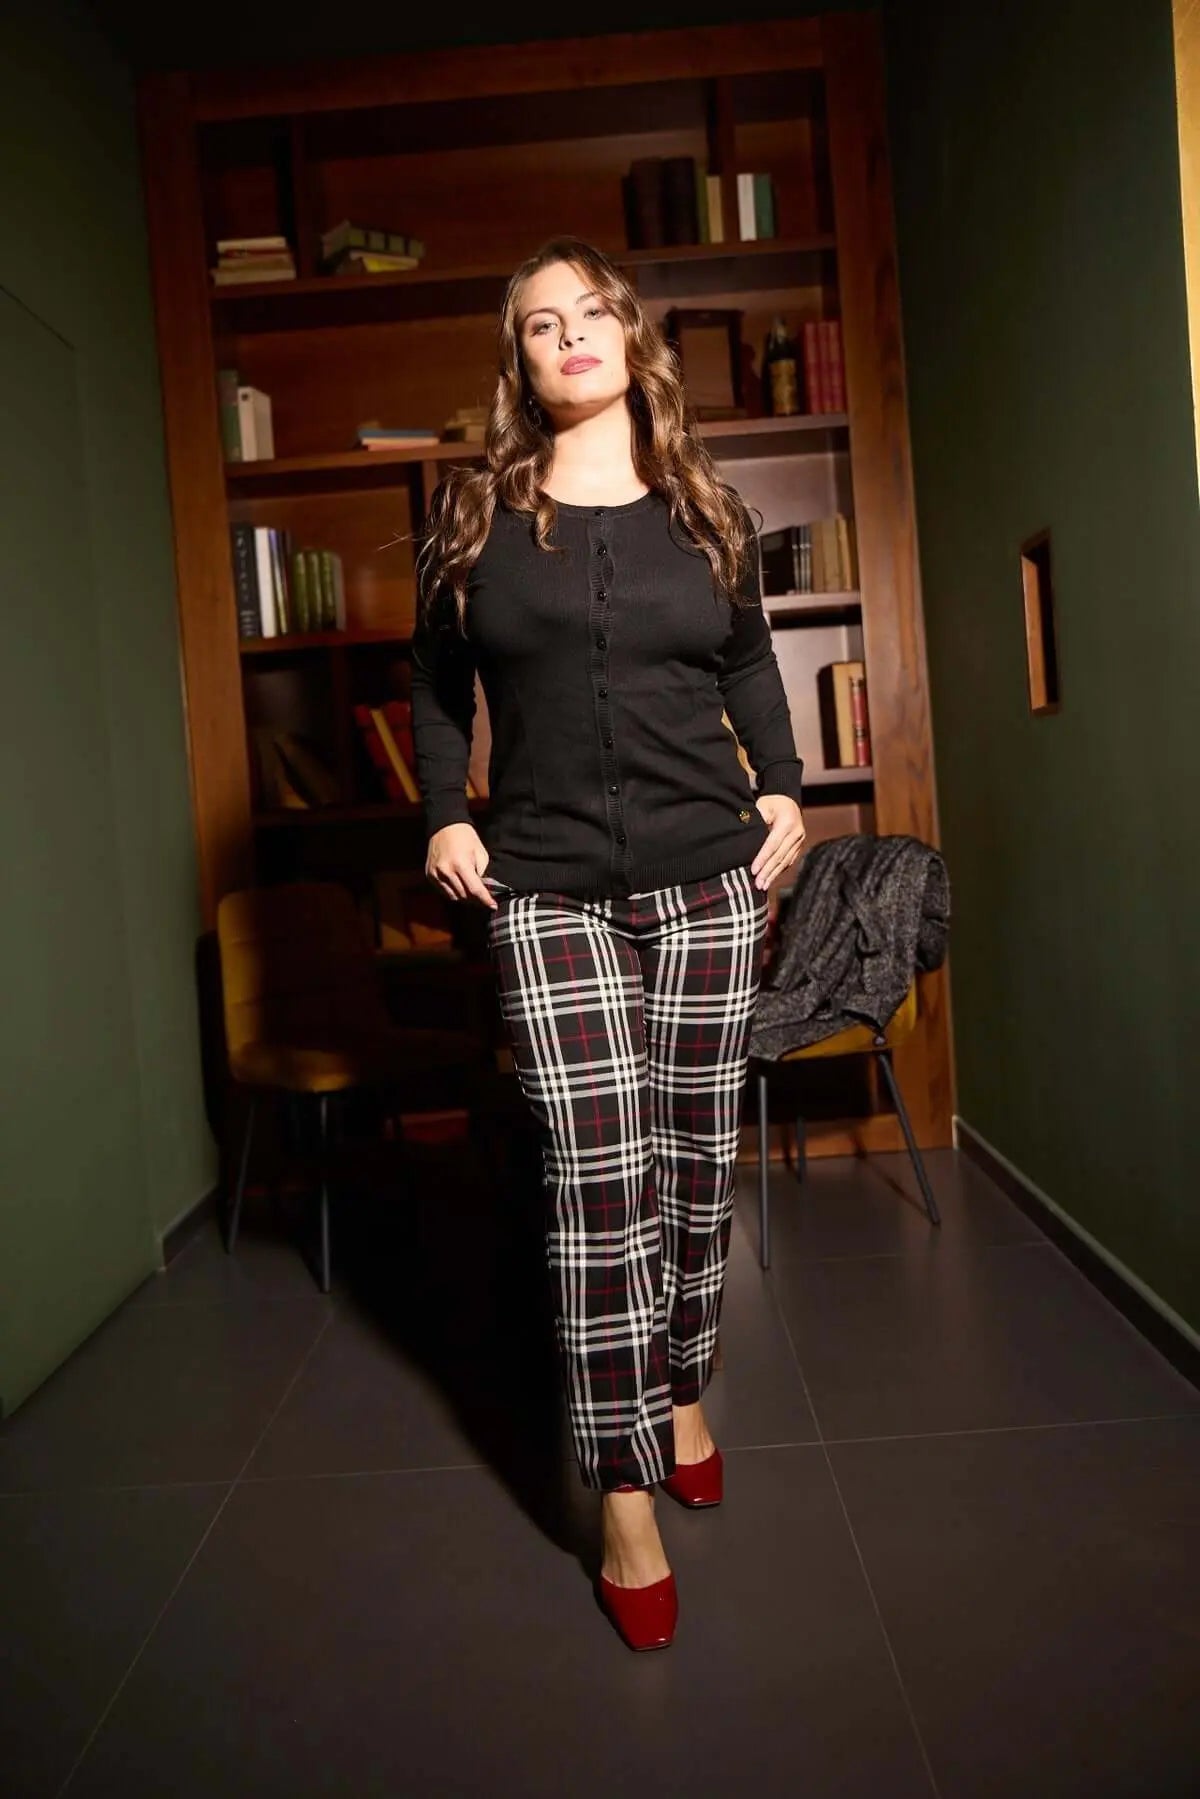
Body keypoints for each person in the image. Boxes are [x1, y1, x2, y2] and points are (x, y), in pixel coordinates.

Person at [410, 236, 806, 1651]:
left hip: (710, 888)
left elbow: (750, 660)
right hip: (547, 894)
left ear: (633, 339)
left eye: (591, 313)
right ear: (519, 363)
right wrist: (444, 817)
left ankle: (683, 1383)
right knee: (595, 1185)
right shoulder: (474, 519)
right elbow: (437, 685)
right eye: (540, 324)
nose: (570, 335)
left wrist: (784, 787)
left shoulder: (708, 509)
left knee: (694, 1169)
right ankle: (625, 1493)